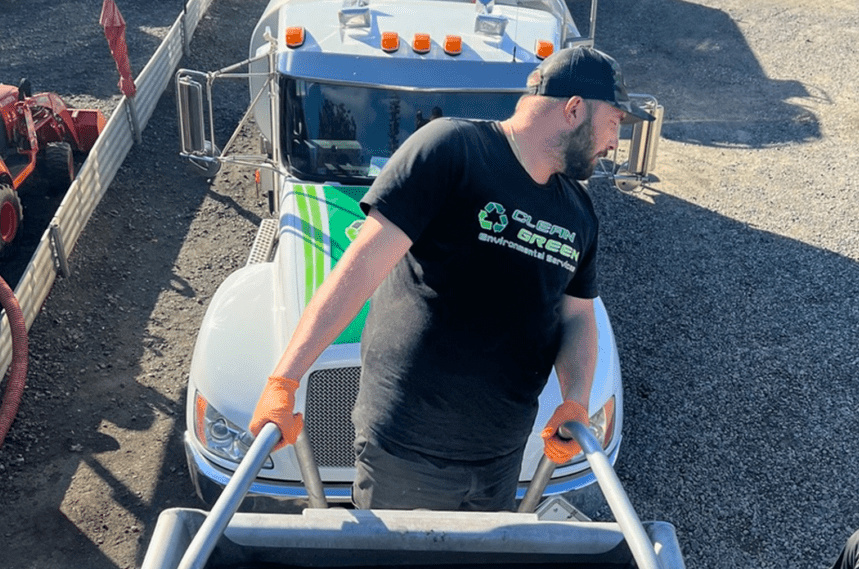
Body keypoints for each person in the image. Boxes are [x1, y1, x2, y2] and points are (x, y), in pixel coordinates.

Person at [249, 45, 652, 510]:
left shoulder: (578, 211)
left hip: (501, 458)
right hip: (407, 451)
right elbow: (361, 267)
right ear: (575, 109)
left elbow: (578, 316)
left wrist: (576, 399)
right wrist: (286, 380)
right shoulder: (452, 150)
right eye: (615, 122)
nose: (613, 143)